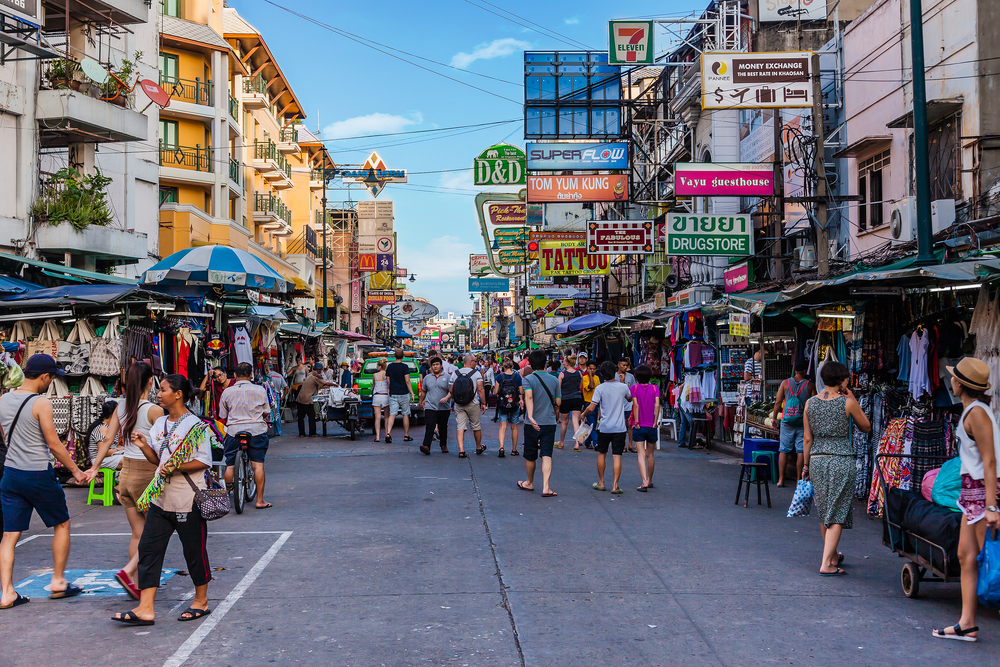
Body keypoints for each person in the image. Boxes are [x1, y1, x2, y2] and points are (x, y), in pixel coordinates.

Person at [113, 375, 215, 626]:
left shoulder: (195, 425)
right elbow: (157, 460)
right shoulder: (159, 424)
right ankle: (146, 608)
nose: (158, 394)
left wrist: (176, 466)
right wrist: (144, 445)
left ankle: (201, 601)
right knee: (148, 550)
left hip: (187, 499)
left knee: (193, 551)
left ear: (178, 394)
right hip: (160, 499)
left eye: (164, 390)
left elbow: (204, 461)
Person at [0, 354, 88, 609]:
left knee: (9, 535)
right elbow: (54, 444)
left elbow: (4, 438)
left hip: (11, 475)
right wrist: (76, 470)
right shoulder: (41, 403)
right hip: (38, 473)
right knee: (61, 524)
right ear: (45, 377)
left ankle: (6, 593)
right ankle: (58, 582)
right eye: (51, 378)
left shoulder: (3, 399)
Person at [933, 358, 1000, 642]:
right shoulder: (972, 411)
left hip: (983, 493)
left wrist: (991, 506)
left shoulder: (977, 414)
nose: (951, 380)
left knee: (991, 559)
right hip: (970, 493)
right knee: (966, 556)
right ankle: (967, 623)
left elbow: (990, 461)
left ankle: (969, 621)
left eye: (954, 377)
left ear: (960, 384)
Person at [89, 361, 164, 600]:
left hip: (126, 476)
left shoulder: (121, 407)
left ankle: (137, 583)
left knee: (137, 534)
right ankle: (131, 572)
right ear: (150, 381)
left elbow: (107, 440)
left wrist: (95, 467)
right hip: (146, 474)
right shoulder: (154, 410)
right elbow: (162, 448)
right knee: (156, 532)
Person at [802, 361, 870, 577]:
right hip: (841, 460)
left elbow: (806, 439)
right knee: (838, 511)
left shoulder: (810, 404)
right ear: (841, 380)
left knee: (825, 510)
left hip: (818, 460)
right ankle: (827, 563)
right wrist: (853, 399)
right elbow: (866, 427)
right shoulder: (847, 403)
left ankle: (832, 556)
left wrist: (805, 465)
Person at [219, 362, 271, 510]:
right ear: (251, 375)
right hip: (256, 431)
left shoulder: (227, 392)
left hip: (234, 431)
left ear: (234, 376)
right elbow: (266, 411)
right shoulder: (260, 390)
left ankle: (226, 500)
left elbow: (223, 414)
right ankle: (260, 500)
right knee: (258, 465)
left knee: (230, 465)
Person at [583, 361, 633, 495]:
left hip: (605, 427)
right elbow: (630, 399)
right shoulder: (623, 387)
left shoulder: (600, 388)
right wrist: (622, 384)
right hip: (620, 428)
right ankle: (615, 486)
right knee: (617, 456)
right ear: (615, 373)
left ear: (602, 374)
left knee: (602, 454)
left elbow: (591, 407)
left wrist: (583, 414)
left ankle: (601, 482)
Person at [517, 350, 561, 497]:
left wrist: (530, 416)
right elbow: (559, 402)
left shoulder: (528, 379)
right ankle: (546, 487)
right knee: (547, 453)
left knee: (530, 454)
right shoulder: (554, 379)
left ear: (530, 363)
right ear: (545, 363)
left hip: (532, 424)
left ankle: (529, 482)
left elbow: (528, 397)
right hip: (549, 422)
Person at [771, 358, 815, 487]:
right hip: (803, 423)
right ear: (805, 370)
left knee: (784, 450)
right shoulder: (810, 385)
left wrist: (774, 417)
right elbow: (813, 405)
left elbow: (778, 402)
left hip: (787, 422)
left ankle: (781, 479)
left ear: (795, 370)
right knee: (800, 451)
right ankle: (798, 480)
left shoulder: (785, 383)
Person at [447, 354, 486, 457]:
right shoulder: (476, 374)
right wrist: (484, 403)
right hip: (473, 403)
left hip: (459, 404)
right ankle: (478, 447)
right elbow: (481, 390)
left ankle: (461, 450)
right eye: (475, 361)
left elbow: (451, 390)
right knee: (476, 426)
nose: (476, 363)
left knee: (460, 427)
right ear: (470, 362)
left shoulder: (455, 373)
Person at [630, 365, 660, 492]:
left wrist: (636, 421)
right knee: (650, 455)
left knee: (641, 454)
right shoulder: (655, 388)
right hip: (651, 425)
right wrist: (655, 421)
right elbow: (657, 405)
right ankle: (650, 480)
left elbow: (635, 405)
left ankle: (644, 482)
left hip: (639, 425)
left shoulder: (634, 388)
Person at [418, 357, 452, 455]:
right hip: (430, 406)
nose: (435, 366)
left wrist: (446, 398)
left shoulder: (447, 377)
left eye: (437, 364)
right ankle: (426, 446)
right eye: (433, 365)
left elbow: (451, 391)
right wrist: (421, 401)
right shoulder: (427, 378)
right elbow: (424, 391)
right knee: (430, 426)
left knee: (442, 427)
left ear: (441, 365)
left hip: (444, 407)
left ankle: (443, 445)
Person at [494, 359, 524, 457]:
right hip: (514, 404)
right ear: (512, 367)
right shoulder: (517, 376)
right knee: (514, 427)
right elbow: (521, 391)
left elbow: (495, 392)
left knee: (502, 427)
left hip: (503, 404)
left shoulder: (499, 376)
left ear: (503, 367)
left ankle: (501, 447)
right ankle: (514, 450)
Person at [384, 348, 415, 444]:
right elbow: (407, 381)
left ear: (394, 356)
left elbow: (388, 381)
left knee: (392, 414)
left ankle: (388, 433)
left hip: (393, 393)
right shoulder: (405, 367)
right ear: (403, 356)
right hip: (404, 393)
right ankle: (406, 435)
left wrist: (389, 390)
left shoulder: (389, 367)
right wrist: (412, 393)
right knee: (405, 414)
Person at [296, 363, 334, 437]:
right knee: (312, 415)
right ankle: (312, 432)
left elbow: (321, 385)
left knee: (301, 417)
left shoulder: (310, 374)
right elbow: (326, 383)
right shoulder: (316, 376)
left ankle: (301, 433)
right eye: (320, 370)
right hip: (307, 399)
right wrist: (335, 385)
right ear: (318, 369)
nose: (321, 372)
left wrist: (328, 387)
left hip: (300, 398)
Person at [557, 355, 584, 451]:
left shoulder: (562, 374)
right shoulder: (579, 373)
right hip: (577, 398)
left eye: (564, 362)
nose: (563, 363)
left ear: (567, 363)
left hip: (565, 399)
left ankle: (561, 442)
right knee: (576, 421)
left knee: (564, 422)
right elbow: (580, 386)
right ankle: (577, 443)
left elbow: (558, 389)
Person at [87, 400, 122, 471]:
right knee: (129, 461)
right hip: (100, 460)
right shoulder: (103, 428)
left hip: (110, 457)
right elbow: (104, 452)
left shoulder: (111, 428)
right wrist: (121, 449)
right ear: (113, 414)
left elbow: (115, 446)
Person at [580, 360, 602, 450]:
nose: (592, 371)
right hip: (588, 403)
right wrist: (589, 375)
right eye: (590, 369)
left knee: (592, 424)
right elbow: (591, 386)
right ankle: (596, 443)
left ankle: (588, 441)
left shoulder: (597, 377)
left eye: (593, 369)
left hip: (596, 404)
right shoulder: (585, 378)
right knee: (592, 424)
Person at [617, 358, 637, 453]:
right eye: (623, 365)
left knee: (630, 425)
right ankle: (623, 444)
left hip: (629, 404)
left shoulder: (631, 377)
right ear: (618, 365)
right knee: (621, 426)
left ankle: (630, 444)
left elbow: (633, 390)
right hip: (619, 405)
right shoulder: (614, 376)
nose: (625, 367)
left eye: (626, 365)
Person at [264, 363, 287, 436]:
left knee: (266, 412)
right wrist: (282, 397)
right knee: (276, 413)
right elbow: (286, 387)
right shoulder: (279, 376)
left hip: (268, 396)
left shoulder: (267, 376)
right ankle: (277, 431)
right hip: (276, 395)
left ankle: (266, 430)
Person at [371, 359, 389, 443]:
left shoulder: (375, 375)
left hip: (377, 396)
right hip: (385, 396)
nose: (376, 367)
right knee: (387, 417)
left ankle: (377, 436)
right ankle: (387, 434)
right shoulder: (387, 375)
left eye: (377, 365)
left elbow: (373, 387)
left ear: (380, 366)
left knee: (377, 417)